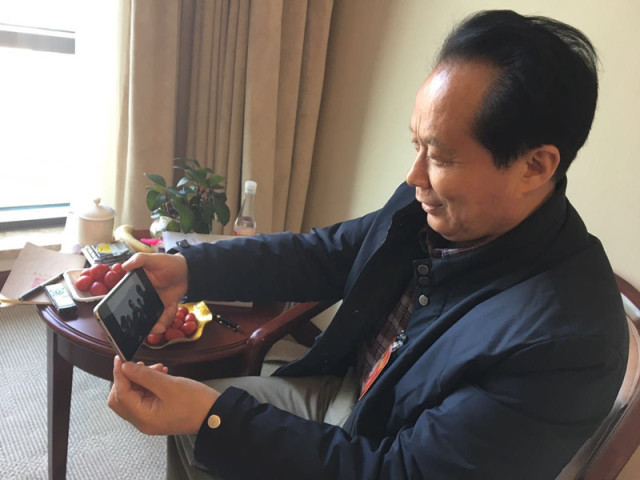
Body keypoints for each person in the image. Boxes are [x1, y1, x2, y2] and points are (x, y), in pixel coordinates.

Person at [108, 10, 629, 479]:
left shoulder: (568, 343)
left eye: (441, 156)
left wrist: (215, 420)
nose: (414, 175)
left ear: (534, 166)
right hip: (356, 392)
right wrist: (188, 268)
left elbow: (402, 471)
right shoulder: (436, 207)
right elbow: (327, 253)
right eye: (416, 144)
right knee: (192, 428)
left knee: (207, 423)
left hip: (390, 449)